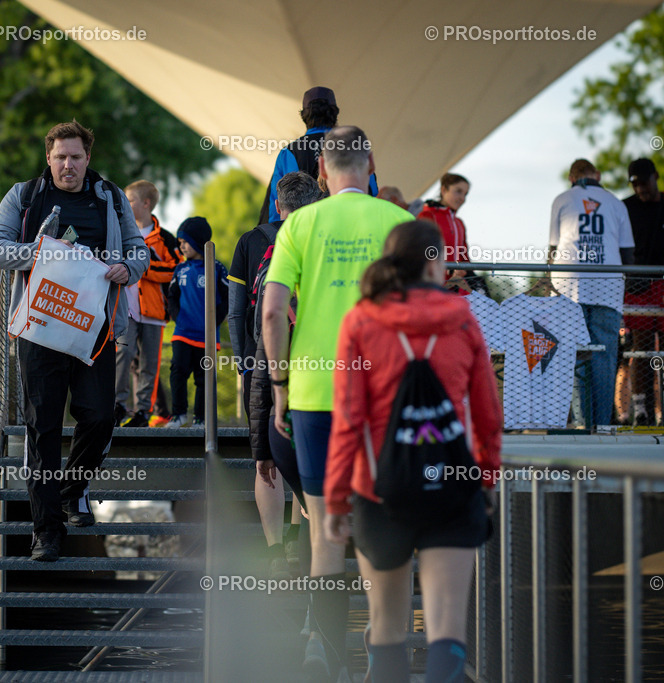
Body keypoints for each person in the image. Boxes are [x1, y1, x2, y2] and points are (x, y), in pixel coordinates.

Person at [262, 125, 412, 680]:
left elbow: (273, 313)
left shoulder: (299, 223)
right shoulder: (401, 224)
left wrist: (279, 388)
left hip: (315, 394)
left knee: (326, 530)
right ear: (370, 163)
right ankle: (385, 660)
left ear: (321, 170)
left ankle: (327, 658)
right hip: (383, 397)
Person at [325, 220, 502, 683]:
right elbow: (487, 415)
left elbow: (348, 419)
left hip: (380, 491)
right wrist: (485, 479)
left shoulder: (361, 321)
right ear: (434, 263)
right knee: (447, 631)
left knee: (386, 628)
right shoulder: (462, 318)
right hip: (452, 487)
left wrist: (338, 498)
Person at [0, 120, 148, 561]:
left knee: (98, 417)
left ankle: (72, 490)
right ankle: (47, 532)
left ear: (87, 158)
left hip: (94, 330)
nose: (68, 165)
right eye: (60, 157)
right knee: (43, 431)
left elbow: (139, 251)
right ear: (49, 158)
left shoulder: (110, 197)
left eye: (76, 157)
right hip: (40, 329)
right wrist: (34, 252)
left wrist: (125, 269)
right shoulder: (24, 195)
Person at [230, 171, 322, 579]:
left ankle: (272, 548)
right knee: (305, 458)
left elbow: (236, 310)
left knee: (263, 459)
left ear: (276, 205)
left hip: (260, 359)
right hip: (314, 366)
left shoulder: (251, 241)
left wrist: (241, 360)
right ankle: (299, 537)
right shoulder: (321, 244)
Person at [548, 158, 635, 428]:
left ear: (572, 178)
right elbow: (628, 252)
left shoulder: (561, 199)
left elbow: (551, 250)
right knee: (605, 357)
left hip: (567, 289)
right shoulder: (616, 202)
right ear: (597, 175)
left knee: (569, 354)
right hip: (607, 289)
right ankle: (602, 425)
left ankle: (580, 423)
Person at [115, 180, 181, 428]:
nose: (125, 205)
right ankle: (118, 405)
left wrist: (143, 267)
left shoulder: (164, 238)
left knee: (149, 364)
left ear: (146, 203)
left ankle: (144, 411)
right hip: (125, 309)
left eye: (129, 200)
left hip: (154, 311)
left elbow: (175, 268)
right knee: (122, 355)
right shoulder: (120, 233)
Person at [259, 87, 377, 224]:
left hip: (305, 232)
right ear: (335, 113)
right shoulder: (353, 146)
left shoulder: (290, 152)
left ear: (304, 116)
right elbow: (372, 191)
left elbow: (276, 206)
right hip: (354, 224)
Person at [620, 159, 664, 426]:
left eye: (644, 182)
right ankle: (641, 409)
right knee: (641, 348)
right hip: (637, 285)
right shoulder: (626, 206)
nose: (640, 188)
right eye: (635, 184)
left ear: (656, 176)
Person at [166, 217, 228, 428]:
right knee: (177, 372)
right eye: (180, 242)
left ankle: (201, 419)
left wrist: (214, 322)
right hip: (183, 333)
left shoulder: (217, 268)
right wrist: (178, 317)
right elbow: (171, 296)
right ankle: (178, 415)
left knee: (204, 378)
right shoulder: (180, 269)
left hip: (207, 336)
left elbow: (228, 297)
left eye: (185, 241)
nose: (181, 246)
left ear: (198, 241)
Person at [418, 173, 473, 290]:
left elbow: (464, 256)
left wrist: (464, 271)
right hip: (433, 286)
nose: (462, 198)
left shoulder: (459, 223)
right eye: (458, 191)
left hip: (457, 287)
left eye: (465, 194)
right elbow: (422, 252)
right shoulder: (427, 215)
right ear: (443, 190)